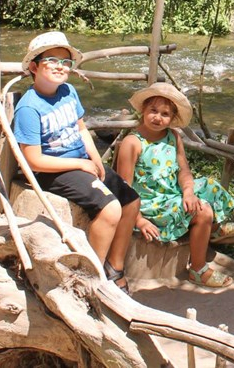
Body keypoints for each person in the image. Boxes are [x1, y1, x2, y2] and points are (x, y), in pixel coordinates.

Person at [13, 31, 140, 291]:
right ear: (34, 67)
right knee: (111, 208)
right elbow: (33, 160)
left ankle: (114, 268)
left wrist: (95, 159)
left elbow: (81, 129)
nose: (61, 66)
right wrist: (81, 165)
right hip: (52, 169)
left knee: (130, 200)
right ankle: (90, 277)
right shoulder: (29, 107)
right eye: (52, 60)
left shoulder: (68, 92)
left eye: (66, 62)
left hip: (80, 161)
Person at [115, 82, 234, 288]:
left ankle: (213, 228)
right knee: (203, 211)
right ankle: (198, 268)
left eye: (165, 114)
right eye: (153, 111)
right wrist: (138, 220)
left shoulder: (173, 136)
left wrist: (188, 192)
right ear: (143, 110)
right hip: (150, 203)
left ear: (172, 118)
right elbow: (124, 188)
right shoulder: (133, 143)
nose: (158, 118)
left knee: (210, 186)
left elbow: (184, 170)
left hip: (172, 192)